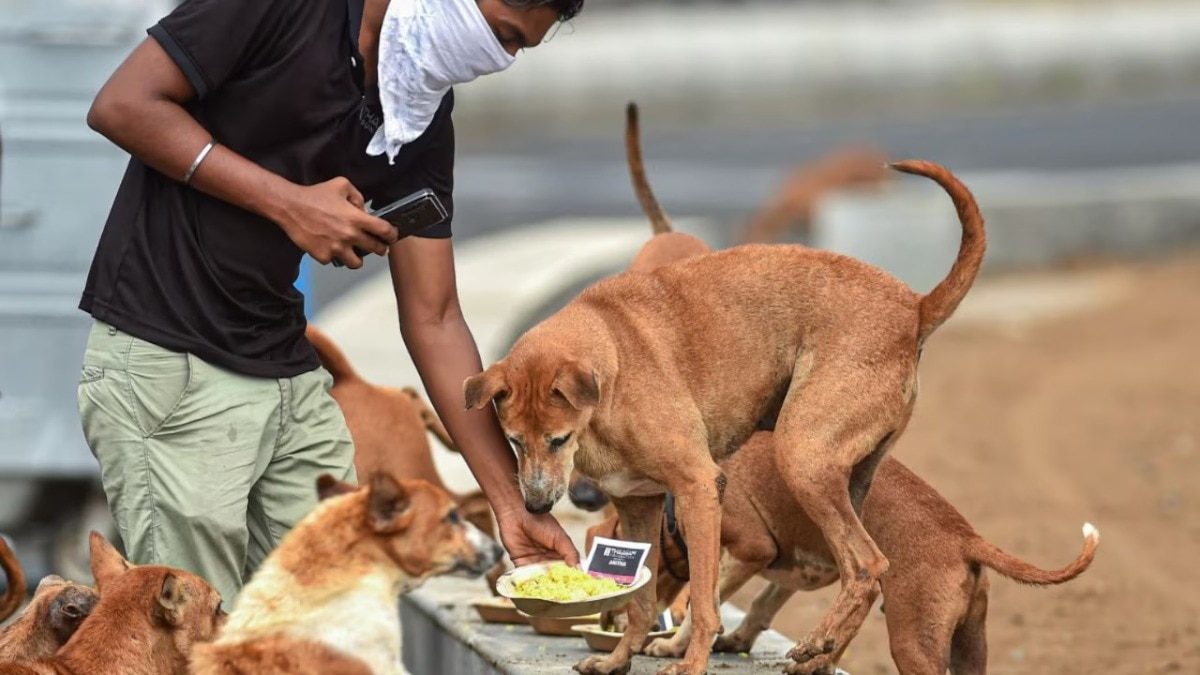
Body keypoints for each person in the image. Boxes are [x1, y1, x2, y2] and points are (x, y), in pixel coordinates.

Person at [76, 0, 583, 609]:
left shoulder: (417, 99)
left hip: (285, 372)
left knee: (335, 618)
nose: (503, 59)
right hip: (170, 362)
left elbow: (436, 316)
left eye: (520, 48)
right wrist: (289, 204)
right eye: (505, 35)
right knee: (196, 636)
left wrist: (508, 503)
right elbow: (122, 104)